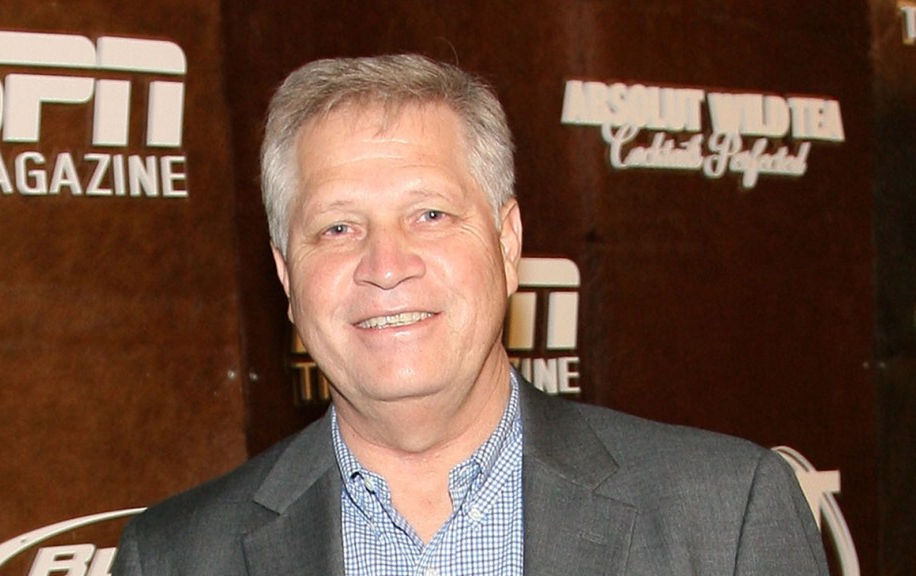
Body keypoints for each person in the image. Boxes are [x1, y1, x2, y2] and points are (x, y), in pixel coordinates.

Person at [113, 54, 830, 576]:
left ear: (507, 243)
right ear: (286, 276)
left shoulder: (725, 517)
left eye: (429, 214)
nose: (385, 265)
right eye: (337, 228)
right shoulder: (175, 558)